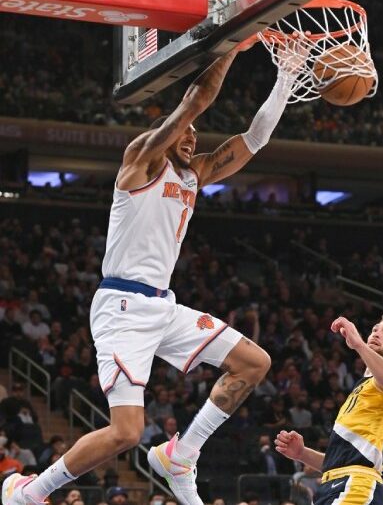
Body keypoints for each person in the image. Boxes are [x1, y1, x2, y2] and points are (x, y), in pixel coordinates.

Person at [2, 35, 309, 505]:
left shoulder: (195, 175)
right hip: (121, 306)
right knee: (127, 432)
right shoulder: (141, 163)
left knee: (254, 363)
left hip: (161, 305)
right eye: (185, 131)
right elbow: (195, 100)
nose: (192, 136)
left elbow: (255, 139)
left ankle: (181, 454)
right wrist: (232, 42)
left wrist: (286, 76)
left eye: (195, 134)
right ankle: (29, 491)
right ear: (166, 131)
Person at [275, 311, 383, 505]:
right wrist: (302, 454)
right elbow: (341, 462)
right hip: (333, 484)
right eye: (375, 329)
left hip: (357, 485)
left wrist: (358, 344)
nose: (376, 333)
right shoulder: (365, 386)